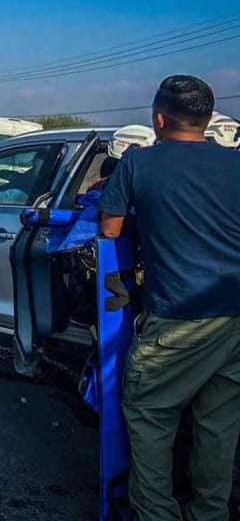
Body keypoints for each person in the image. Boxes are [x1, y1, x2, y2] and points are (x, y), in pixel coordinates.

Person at [99, 75, 240, 521]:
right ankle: (210, 514)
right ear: (207, 120)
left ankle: (157, 514)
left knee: (150, 415)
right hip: (235, 318)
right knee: (219, 427)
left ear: (158, 118)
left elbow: (109, 231)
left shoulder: (138, 164)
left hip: (179, 317)